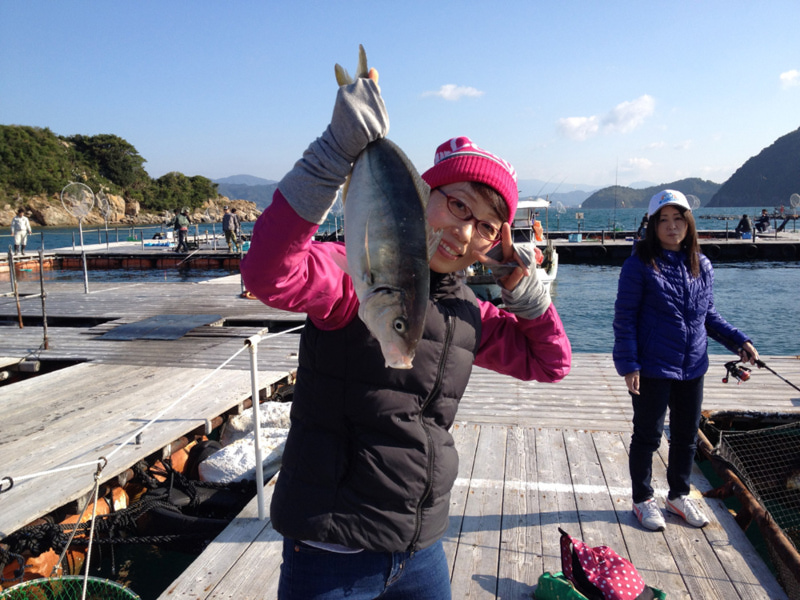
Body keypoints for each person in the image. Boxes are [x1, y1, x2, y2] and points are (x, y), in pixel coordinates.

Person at [240, 63, 571, 600]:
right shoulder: (355, 279)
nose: (463, 230)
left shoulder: (469, 314)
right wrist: (334, 151)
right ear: (422, 195)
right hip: (330, 552)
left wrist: (522, 287)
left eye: (486, 226)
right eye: (457, 204)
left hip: (420, 550)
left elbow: (550, 363)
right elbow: (269, 273)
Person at [613, 189, 759, 532]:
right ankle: (642, 499)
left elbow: (708, 316)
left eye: (678, 218)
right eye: (663, 219)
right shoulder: (638, 264)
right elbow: (625, 318)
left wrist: (739, 341)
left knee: (686, 436)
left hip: (693, 366)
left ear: (688, 223)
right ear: (652, 225)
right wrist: (629, 365)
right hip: (652, 366)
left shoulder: (701, 264)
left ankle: (678, 495)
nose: (671, 226)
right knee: (648, 436)